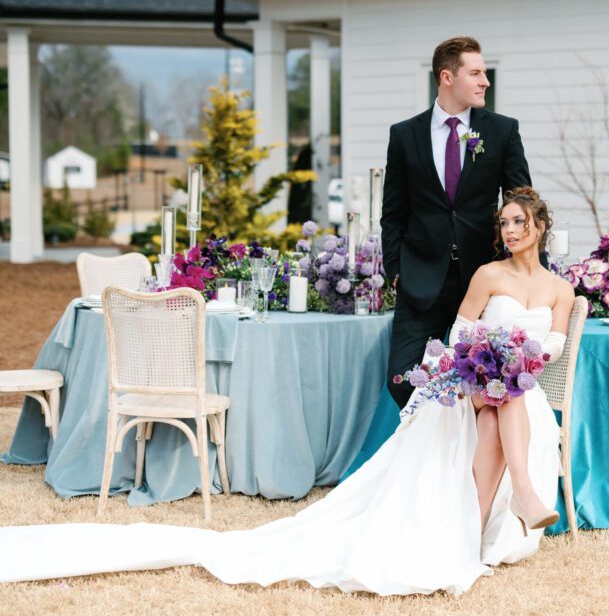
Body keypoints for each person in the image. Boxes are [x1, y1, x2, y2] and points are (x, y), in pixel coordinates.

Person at [0, 188, 575, 596]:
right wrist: (488, 353)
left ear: (540, 227)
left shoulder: (558, 288)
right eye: (504, 223)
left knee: (511, 398)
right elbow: (460, 331)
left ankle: (474, 533)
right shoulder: (487, 275)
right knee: (500, 392)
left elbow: (551, 346)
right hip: (468, 380)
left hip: (514, 388)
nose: (509, 231)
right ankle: (524, 494)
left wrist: (520, 358)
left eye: (519, 222)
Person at [382, 36, 533, 408]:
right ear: (447, 77)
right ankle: (436, 449)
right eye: (476, 73)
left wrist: (526, 270)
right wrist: (396, 270)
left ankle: (467, 462)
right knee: (401, 377)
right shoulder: (404, 135)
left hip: (484, 279)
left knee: (488, 382)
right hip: (420, 282)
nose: (486, 81)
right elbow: (393, 212)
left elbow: (522, 203)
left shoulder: (502, 131)